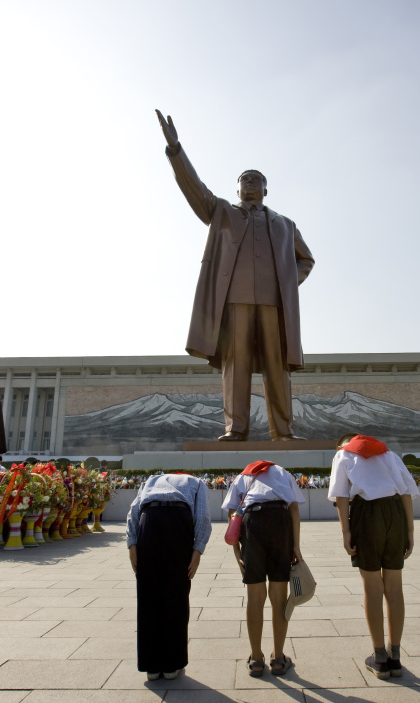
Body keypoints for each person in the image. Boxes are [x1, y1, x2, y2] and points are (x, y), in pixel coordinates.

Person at [155, 110, 315, 442]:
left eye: (256, 179)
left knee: (277, 367)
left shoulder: (285, 225)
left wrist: (288, 282)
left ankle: (283, 432)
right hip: (235, 301)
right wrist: (176, 150)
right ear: (238, 188)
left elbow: (306, 260)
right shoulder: (223, 213)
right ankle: (236, 429)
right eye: (245, 179)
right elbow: (195, 190)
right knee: (235, 366)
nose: (250, 182)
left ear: (266, 190)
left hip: (273, 304)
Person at [328, 433, 419, 680]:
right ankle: (396, 657)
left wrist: (345, 531)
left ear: (343, 444)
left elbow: (342, 495)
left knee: (372, 587)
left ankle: (380, 658)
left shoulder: (344, 455)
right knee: (395, 587)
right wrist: (410, 530)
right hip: (394, 513)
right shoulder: (388, 454)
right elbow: (406, 491)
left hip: (366, 515)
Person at [222, 460, 305, 677]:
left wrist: (236, 550)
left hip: (252, 525)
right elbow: (294, 507)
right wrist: (296, 545)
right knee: (279, 597)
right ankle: (278, 659)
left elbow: (233, 512)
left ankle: (256, 659)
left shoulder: (243, 476)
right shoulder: (283, 473)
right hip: (280, 523)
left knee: (255, 596)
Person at [126, 473, 211, 682]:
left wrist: (132, 544)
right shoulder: (197, 483)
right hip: (178, 523)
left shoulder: (150, 481)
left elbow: (134, 512)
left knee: (148, 594)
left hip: (150, 521)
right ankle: (172, 665)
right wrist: (197, 549)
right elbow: (202, 517)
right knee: (176, 594)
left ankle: (151, 666)